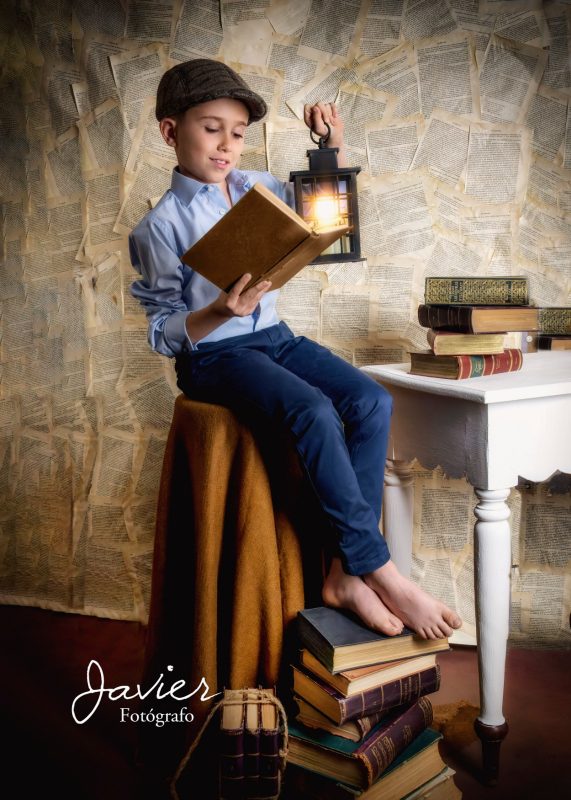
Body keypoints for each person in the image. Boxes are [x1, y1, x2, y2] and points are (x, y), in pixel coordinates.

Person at [129, 58, 462, 640]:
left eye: (237, 132)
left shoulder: (258, 187)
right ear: (169, 131)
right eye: (211, 128)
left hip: (275, 339)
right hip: (215, 358)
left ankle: (342, 573)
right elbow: (162, 333)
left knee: (369, 400)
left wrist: (329, 148)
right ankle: (380, 569)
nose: (227, 144)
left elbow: (318, 216)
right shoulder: (159, 226)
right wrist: (217, 311)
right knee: (310, 410)